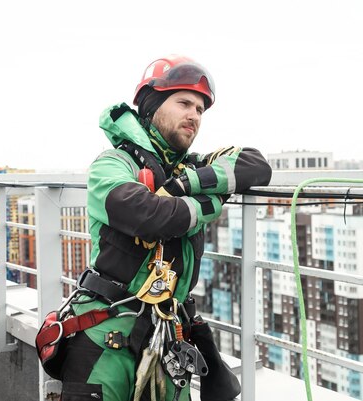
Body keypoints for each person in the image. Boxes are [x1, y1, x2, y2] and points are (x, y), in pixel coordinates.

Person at [56, 55, 272, 401]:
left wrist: (183, 185)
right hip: (106, 335)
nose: (194, 116)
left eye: (201, 109)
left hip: (168, 338)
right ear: (152, 106)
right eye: (184, 103)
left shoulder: (190, 168)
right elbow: (149, 216)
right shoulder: (111, 165)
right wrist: (209, 202)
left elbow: (256, 165)